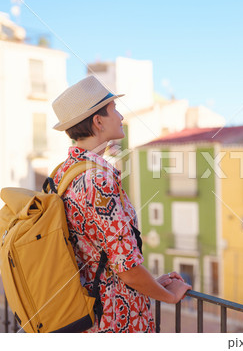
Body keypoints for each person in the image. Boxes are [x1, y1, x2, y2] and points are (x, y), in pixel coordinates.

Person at [51, 76, 191, 332]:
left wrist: (152, 284)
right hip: (115, 318)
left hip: (86, 312)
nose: (121, 117)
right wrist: (169, 296)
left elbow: (99, 257)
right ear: (98, 121)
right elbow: (127, 268)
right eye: (114, 109)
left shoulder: (63, 172)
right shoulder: (99, 180)